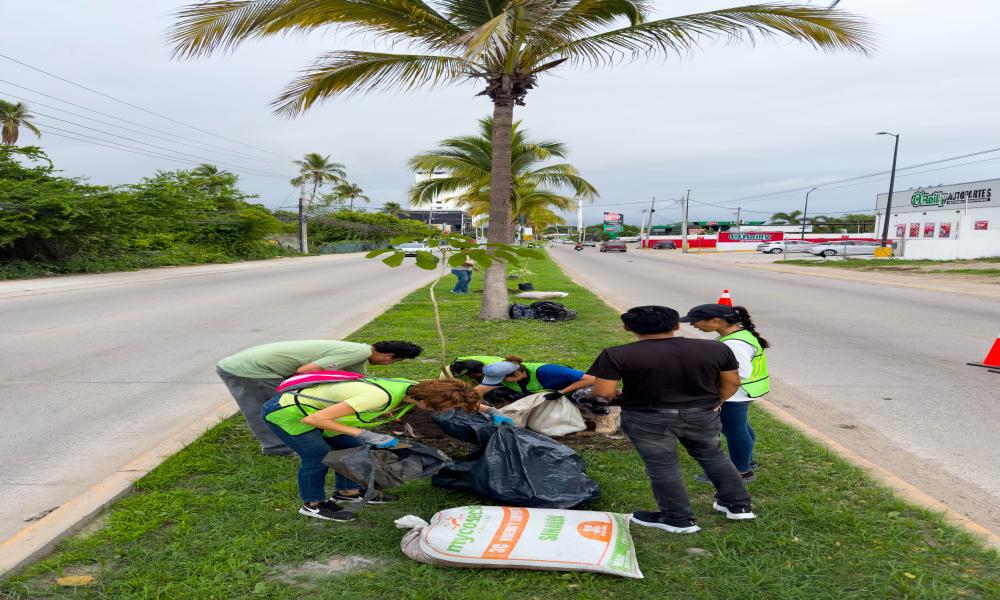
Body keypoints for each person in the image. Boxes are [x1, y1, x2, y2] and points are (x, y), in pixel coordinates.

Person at [587, 305, 756, 534]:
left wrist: (604, 398)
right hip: (702, 414)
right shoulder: (714, 349)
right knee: (714, 456)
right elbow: (733, 382)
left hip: (647, 417)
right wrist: (717, 402)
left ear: (627, 327)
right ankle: (738, 505)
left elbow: (604, 394)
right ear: (676, 325)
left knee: (663, 466)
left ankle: (677, 519)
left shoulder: (616, 354)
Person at [261, 376, 512, 521]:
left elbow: (459, 400)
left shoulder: (415, 388)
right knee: (317, 457)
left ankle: (347, 493)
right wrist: (369, 434)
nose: (441, 413)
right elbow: (313, 420)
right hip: (291, 414)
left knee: (351, 447)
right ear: (424, 401)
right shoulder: (376, 398)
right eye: (438, 408)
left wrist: (491, 412)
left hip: (327, 415)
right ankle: (313, 505)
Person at [216, 340, 422, 455]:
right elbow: (305, 370)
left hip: (255, 362)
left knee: (288, 405)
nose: (389, 366)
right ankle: (277, 448)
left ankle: (294, 438)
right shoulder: (356, 352)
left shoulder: (358, 352)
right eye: (394, 362)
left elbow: (359, 380)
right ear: (388, 356)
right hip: (250, 370)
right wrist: (300, 389)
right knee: (271, 407)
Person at [682, 304, 770, 483]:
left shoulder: (734, 344)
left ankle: (741, 472)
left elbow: (740, 373)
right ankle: (747, 462)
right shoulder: (738, 335)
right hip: (742, 393)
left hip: (733, 394)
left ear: (715, 321)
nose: (693, 325)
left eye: (695, 322)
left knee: (734, 432)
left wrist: (717, 392)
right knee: (742, 429)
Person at [473, 355, 596, 400]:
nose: (500, 382)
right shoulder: (502, 373)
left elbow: (591, 379)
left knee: (589, 395)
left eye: (503, 379)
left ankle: (603, 417)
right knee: (501, 393)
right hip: (549, 397)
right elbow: (478, 391)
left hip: (574, 390)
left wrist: (560, 392)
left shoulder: (548, 371)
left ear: (516, 374)